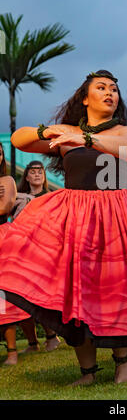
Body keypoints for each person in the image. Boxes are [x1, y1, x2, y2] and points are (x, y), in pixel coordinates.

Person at [0, 70, 127, 385]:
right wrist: (56, 130)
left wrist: (85, 137)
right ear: (85, 98)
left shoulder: (126, 132)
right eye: (101, 88)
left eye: (114, 89)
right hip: (75, 218)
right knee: (77, 293)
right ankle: (87, 372)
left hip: (118, 216)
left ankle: (123, 363)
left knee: (115, 290)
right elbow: (19, 139)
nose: (110, 93)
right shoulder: (66, 133)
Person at [13, 161, 61, 353]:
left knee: (44, 297)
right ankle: (33, 342)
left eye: (40, 171)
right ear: (26, 176)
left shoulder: (52, 197)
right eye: (32, 172)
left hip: (45, 252)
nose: (36, 174)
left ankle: (52, 337)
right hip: (23, 251)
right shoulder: (17, 198)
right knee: (21, 297)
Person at [0, 142, 31, 365]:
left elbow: (4, 207)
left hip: (3, 236)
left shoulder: (6, 181)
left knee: (5, 293)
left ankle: (13, 350)